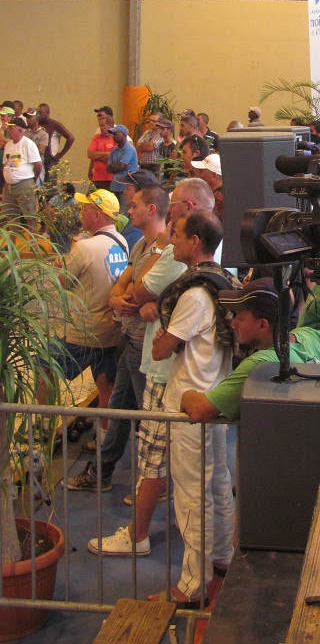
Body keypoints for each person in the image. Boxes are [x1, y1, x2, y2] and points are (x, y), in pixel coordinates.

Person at [86, 180, 216, 558]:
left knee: (154, 458)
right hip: (167, 374)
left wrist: (155, 309)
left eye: (176, 234)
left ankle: (138, 536)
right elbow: (130, 286)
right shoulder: (173, 258)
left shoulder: (188, 279)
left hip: (166, 377)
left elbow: (149, 314)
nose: (169, 241)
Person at [150, 210, 237, 607]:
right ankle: (222, 561)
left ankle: (192, 584)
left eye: (178, 235)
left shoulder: (195, 294)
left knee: (191, 496)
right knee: (217, 485)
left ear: (196, 241)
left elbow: (161, 347)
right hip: (214, 401)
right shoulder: (224, 282)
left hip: (189, 406)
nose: (172, 241)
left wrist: (162, 332)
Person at [67, 185, 170, 492]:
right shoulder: (136, 245)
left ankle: (158, 485)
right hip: (130, 339)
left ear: (151, 210)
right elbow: (123, 289)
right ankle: (103, 473)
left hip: (146, 346)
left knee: (148, 421)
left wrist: (130, 297)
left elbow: (137, 290)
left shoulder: (161, 250)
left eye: (135, 205)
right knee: (119, 409)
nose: (129, 210)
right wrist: (117, 299)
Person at [181, 278, 320, 424]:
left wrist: (186, 395)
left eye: (239, 317)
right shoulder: (311, 336)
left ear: (262, 325)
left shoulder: (259, 364)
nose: (233, 323)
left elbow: (199, 410)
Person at [46, 189, 128, 418]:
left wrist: (58, 265)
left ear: (97, 214)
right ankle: (104, 438)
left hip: (85, 332)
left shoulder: (84, 247)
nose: (81, 213)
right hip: (112, 330)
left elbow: (63, 282)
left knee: (42, 365)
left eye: (85, 208)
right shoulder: (122, 241)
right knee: (105, 383)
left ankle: (45, 424)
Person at [1, 115, 42, 230]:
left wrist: (32, 180)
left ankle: (32, 245)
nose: (8, 130)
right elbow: (6, 163)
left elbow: (38, 164)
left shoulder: (28, 144)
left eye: (11, 128)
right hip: (9, 186)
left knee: (30, 216)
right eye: (8, 128)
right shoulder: (8, 145)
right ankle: (12, 244)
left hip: (24, 184)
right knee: (10, 216)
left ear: (19, 130)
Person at [37, 102, 75, 176]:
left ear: (47, 112)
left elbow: (71, 138)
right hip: (39, 160)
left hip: (51, 161)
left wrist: (61, 154)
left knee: (51, 185)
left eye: (41, 112)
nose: (38, 115)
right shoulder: (37, 124)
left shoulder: (55, 125)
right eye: (38, 112)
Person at [106, 125, 139, 206]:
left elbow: (120, 166)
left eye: (115, 134)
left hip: (126, 187)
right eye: (112, 134)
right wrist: (119, 167)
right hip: (114, 186)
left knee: (124, 214)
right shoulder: (114, 151)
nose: (113, 136)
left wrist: (116, 166)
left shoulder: (129, 149)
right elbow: (108, 169)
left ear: (124, 135)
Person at [190, 153, 223, 222]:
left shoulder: (217, 198)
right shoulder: (219, 194)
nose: (198, 175)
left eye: (202, 171)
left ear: (213, 175)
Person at [87, 112, 116, 189]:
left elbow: (112, 159)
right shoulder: (97, 137)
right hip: (96, 178)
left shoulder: (116, 139)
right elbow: (89, 154)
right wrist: (106, 153)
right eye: (100, 126)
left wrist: (96, 156)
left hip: (110, 179)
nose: (100, 128)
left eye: (102, 126)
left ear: (110, 126)